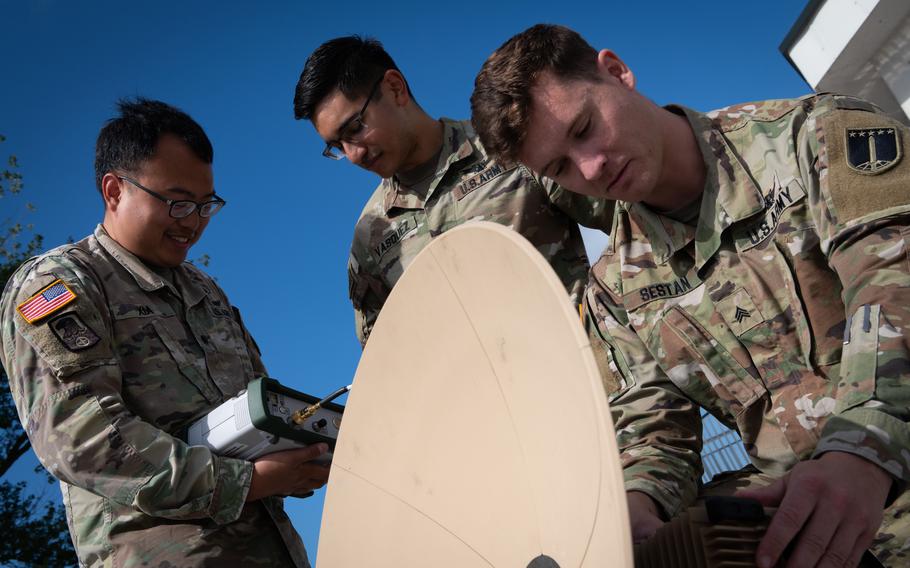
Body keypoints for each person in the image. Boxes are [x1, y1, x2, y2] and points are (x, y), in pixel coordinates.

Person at [471, 24, 910, 568]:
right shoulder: (617, 291)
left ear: (616, 72)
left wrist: (860, 448)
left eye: (584, 128)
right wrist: (634, 512)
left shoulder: (811, 138)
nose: (590, 167)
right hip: (804, 529)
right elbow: (655, 433)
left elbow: (892, 284)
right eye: (559, 167)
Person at [0, 99, 329, 567]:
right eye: (176, 202)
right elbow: (81, 438)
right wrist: (249, 482)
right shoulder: (60, 284)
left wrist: (302, 456)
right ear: (114, 191)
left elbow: (258, 405)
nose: (193, 222)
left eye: (205, 205)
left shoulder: (204, 290)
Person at [293, 36, 613, 346]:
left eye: (355, 128)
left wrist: (607, 324)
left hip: (583, 378)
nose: (353, 154)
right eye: (337, 146)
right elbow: (389, 361)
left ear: (395, 88)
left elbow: (626, 217)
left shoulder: (507, 148)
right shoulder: (369, 237)